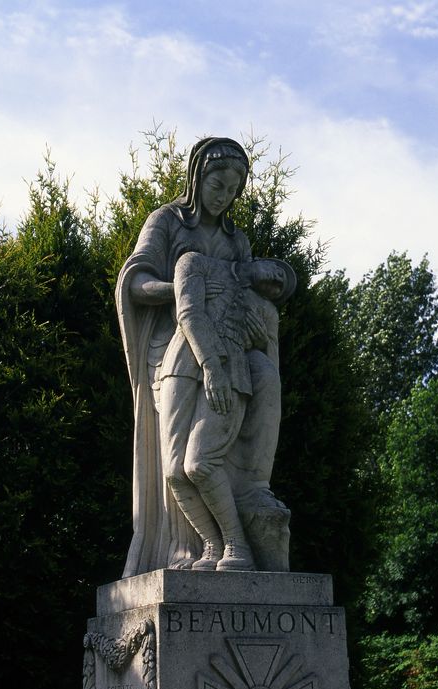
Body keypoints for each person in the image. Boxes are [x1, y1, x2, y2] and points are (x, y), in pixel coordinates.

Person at [115, 137, 295, 576]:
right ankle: (184, 551)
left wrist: (242, 297)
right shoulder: (167, 223)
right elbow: (136, 283)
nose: (224, 194)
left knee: (208, 459)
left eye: (234, 188)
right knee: (174, 465)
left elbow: (247, 297)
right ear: (198, 177)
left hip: (226, 356)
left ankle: (228, 548)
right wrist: (186, 289)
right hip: (172, 352)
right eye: (217, 181)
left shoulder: (237, 241)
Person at [160, 251, 295, 570]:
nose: (276, 280)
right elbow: (189, 312)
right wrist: (210, 366)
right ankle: (212, 544)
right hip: (181, 365)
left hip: (232, 375)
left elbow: (271, 376)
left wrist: (262, 342)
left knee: (199, 463)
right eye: (277, 271)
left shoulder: (266, 311)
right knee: (174, 472)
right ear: (261, 260)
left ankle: (237, 544)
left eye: (280, 286)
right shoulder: (198, 262)